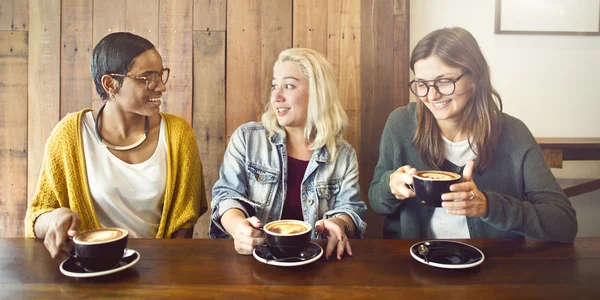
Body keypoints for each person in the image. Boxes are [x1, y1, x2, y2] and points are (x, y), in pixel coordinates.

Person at [368, 27, 577, 243]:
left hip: (493, 267)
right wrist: (390, 186)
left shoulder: (514, 134)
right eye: (421, 84)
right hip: (416, 261)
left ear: (475, 77)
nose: (431, 95)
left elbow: (564, 224)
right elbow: (376, 201)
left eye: (444, 81)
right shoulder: (400, 123)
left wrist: (488, 206)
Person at [25, 32, 207, 259]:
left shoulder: (179, 134)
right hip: (89, 269)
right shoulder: (69, 135)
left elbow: (185, 220)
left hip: (161, 268)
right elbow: (36, 215)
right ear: (110, 84)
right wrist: (54, 218)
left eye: (161, 75)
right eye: (147, 78)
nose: (160, 87)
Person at [210, 48, 367, 260]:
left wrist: (339, 224)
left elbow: (350, 208)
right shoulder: (248, 138)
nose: (276, 96)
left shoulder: (343, 154)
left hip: (316, 263)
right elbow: (226, 195)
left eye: (289, 86)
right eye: (275, 85)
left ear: (318, 93)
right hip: (251, 262)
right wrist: (238, 227)